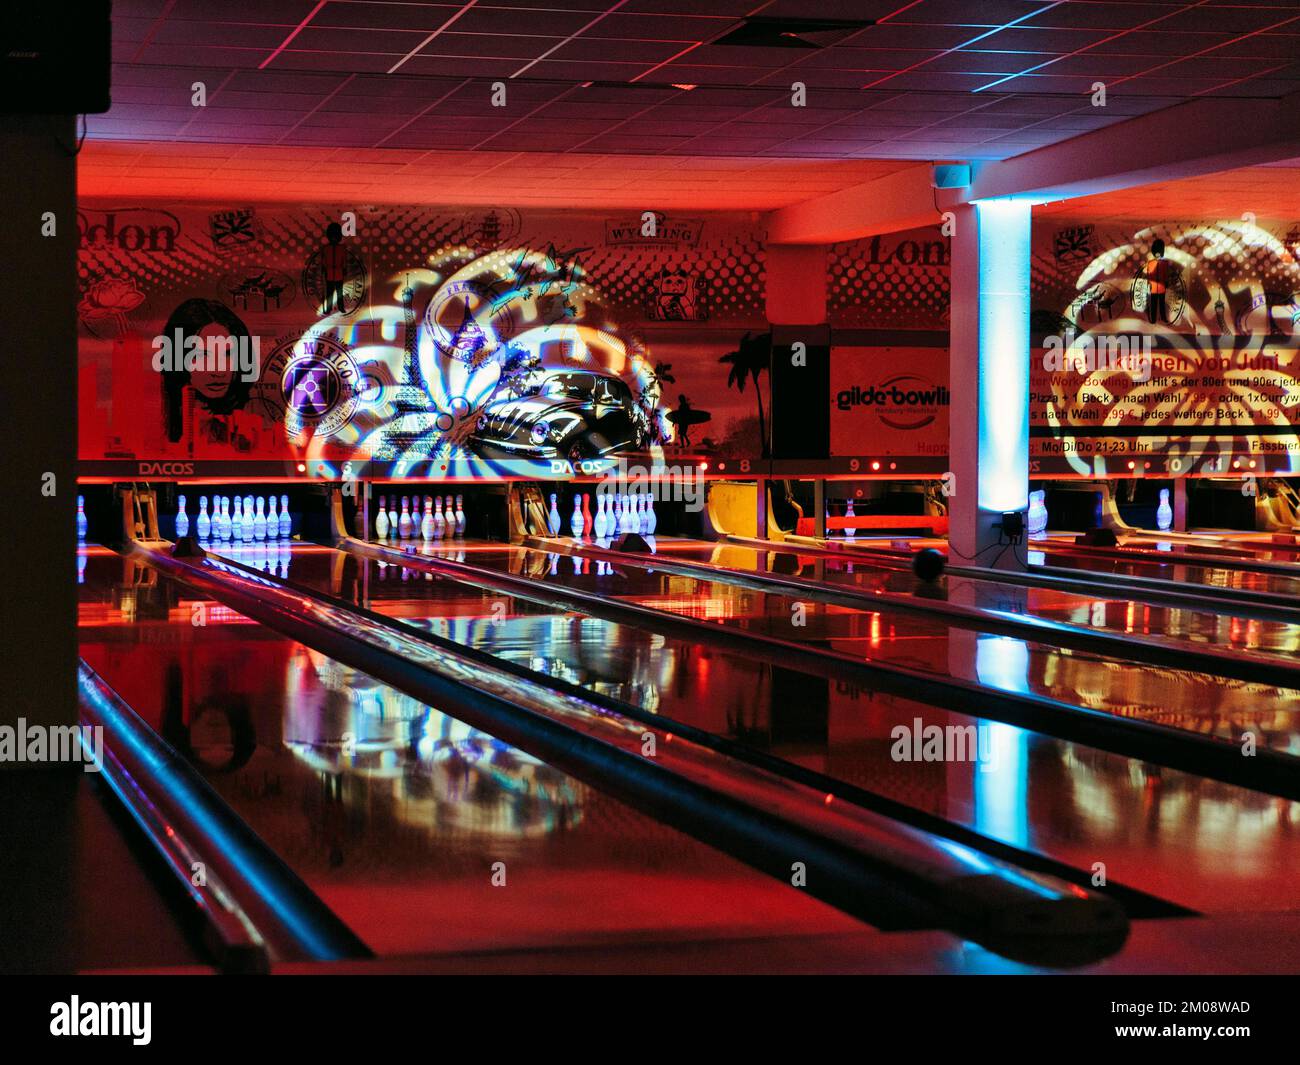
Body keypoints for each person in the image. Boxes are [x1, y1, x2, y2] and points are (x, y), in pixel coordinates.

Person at [320, 222, 347, 314]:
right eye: (332, 236)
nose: (334, 238)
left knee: (339, 292)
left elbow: (344, 260)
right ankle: (329, 308)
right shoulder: (326, 248)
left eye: (335, 236)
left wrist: (344, 269)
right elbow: (324, 260)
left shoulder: (342, 248)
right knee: (329, 293)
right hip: (330, 273)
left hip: (338, 272)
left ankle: (341, 307)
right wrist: (324, 268)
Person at [1143, 238, 1172, 325]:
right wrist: (1149, 283)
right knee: (1154, 303)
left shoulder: (1165, 263)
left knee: (1162, 303)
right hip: (1154, 285)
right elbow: (1149, 275)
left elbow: (1166, 274)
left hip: (1161, 285)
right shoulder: (1150, 263)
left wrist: (1166, 282)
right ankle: (1153, 318)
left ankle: (1163, 317)